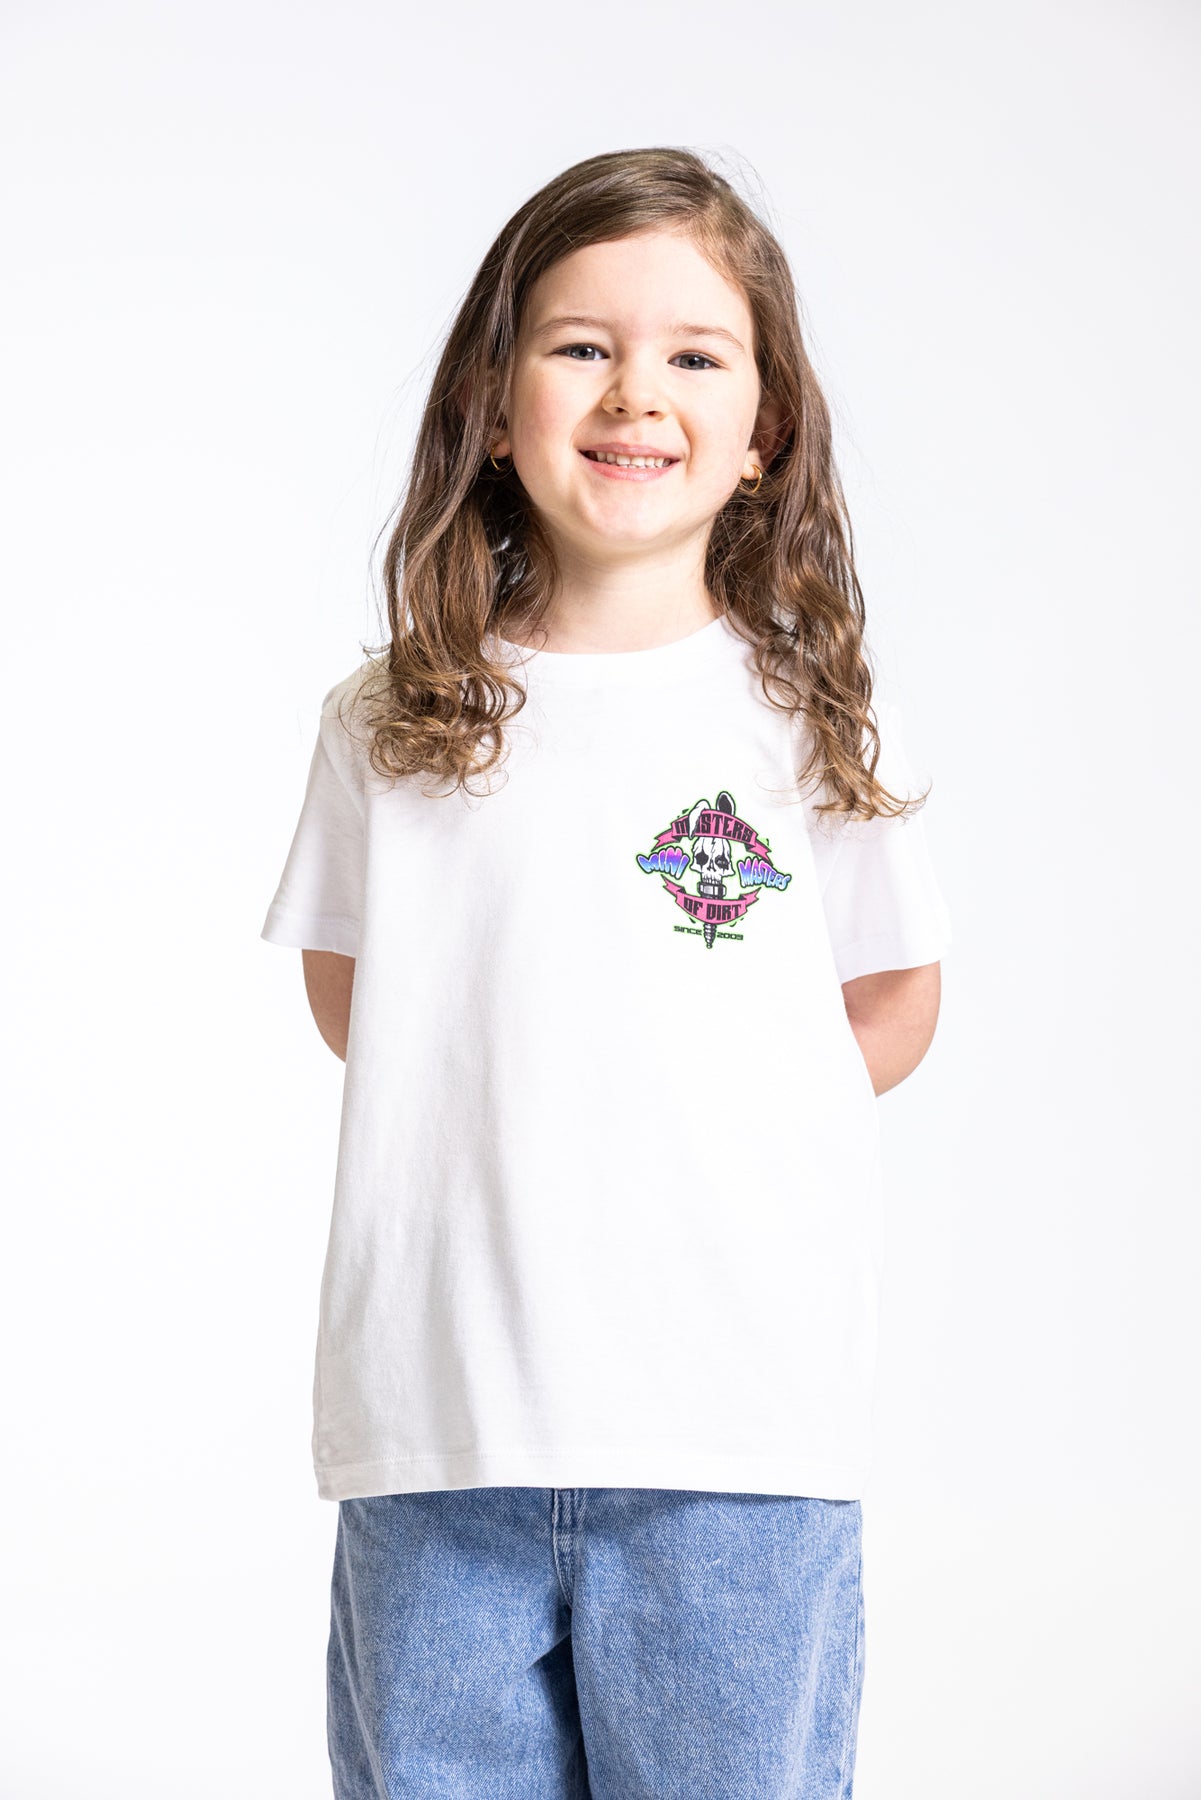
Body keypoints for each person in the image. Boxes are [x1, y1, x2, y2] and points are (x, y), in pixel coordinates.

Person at [261, 146, 953, 1800]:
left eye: (695, 356)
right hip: (439, 1429)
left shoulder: (808, 721)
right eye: (580, 345)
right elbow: (357, 989)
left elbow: (888, 998)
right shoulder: (390, 723)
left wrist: (701, 1122)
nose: (635, 390)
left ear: (762, 431)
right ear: (490, 408)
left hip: (732, 1438)